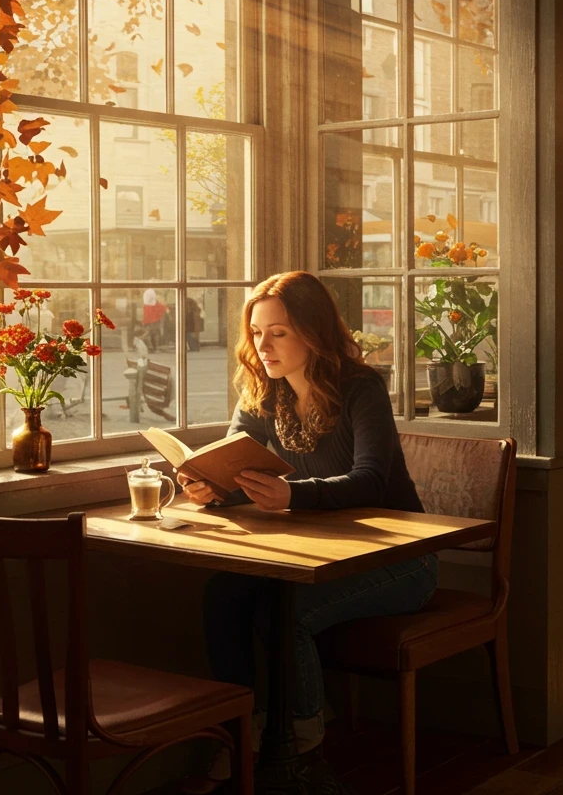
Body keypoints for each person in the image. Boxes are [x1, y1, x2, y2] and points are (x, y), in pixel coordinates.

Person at [179, 271, 436, 790]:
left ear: (312, 332)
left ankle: (302, 751)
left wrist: (295, 495)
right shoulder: (262, 393)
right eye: (256, 332)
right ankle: (241, 736)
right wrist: (209, 487)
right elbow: (236, 467)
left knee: (284, 613)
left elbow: (370, 481)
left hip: (398, 559)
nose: (264, 345)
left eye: (279, 332)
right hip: (317, 557)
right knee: (222, 596)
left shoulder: (361, 387)